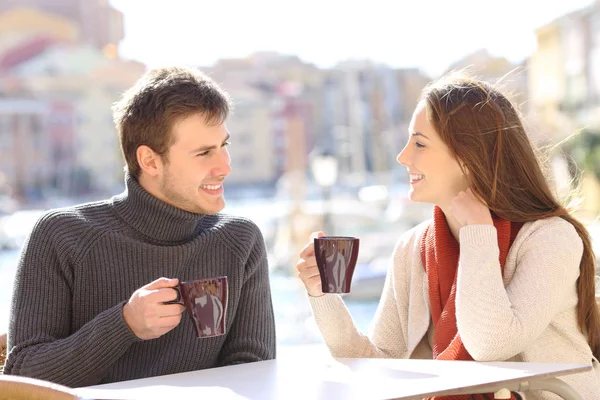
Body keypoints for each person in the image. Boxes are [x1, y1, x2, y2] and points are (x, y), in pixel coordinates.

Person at [297, 74, 600, 399]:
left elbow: (490, 343)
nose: (403, 157)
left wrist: (478, 233)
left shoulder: (552, 239)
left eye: (420, 144)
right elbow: (378, 365)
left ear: (469, 157)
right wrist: (323, 296)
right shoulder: (412, 247)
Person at [4, 66, 276, 387]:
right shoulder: (62, 235)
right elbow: (22, 375)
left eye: (224, 146)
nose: (225, 167)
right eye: (204, 153)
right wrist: (124, 325)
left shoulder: (239, 240)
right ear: (149, 161)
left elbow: (255, 372)